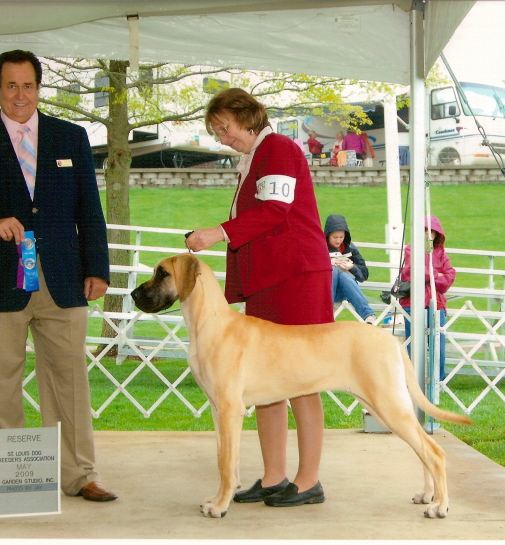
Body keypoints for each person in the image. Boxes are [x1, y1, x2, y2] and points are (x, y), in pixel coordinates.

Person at [0, 50, 117, 502]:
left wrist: (98, 268)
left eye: (29, 85)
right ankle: (13, 481)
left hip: (64, 280)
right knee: (0, 382)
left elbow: (89, 210)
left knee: (70, 380)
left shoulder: (71, 137)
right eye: (11, 85)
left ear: (40, 88)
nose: (21, 95)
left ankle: (81, 474)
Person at [185, 88, 333, 508]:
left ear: (247, 117)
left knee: (304, 377)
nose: (220, 138)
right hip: (269, 279)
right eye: (214, 131)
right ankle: (273, 476)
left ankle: (308, 481)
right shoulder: (254, 157)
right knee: (267, 379)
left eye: (224, 128)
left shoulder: (279, 148)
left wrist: (215, 233)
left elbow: (274, 210)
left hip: (297, 275)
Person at [399, 216, 456, 381]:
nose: (427, 234)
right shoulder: (411, 250)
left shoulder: (441, 253)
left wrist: (432, 275)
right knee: (414, 343)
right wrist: (436, 274)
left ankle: (439, 380)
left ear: (437, 234)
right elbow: (414, 270)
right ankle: (414, 379)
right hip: (413, 302)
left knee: (438, 344)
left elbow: (449, 277)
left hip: (436, 304)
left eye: (431, 231)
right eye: (424, 230)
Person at [324, 214, 376, 324]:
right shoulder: (321, 248)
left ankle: (368, 316)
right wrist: (326, 264)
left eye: (341, 237)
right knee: (334, 269)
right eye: (335, 237)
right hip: (324, 290)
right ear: (328, 235)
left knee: (343, 276)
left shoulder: (350, 248)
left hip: (346, 290)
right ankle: (327, 312)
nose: (338, 241)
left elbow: (364, 274)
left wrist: (352, 267)